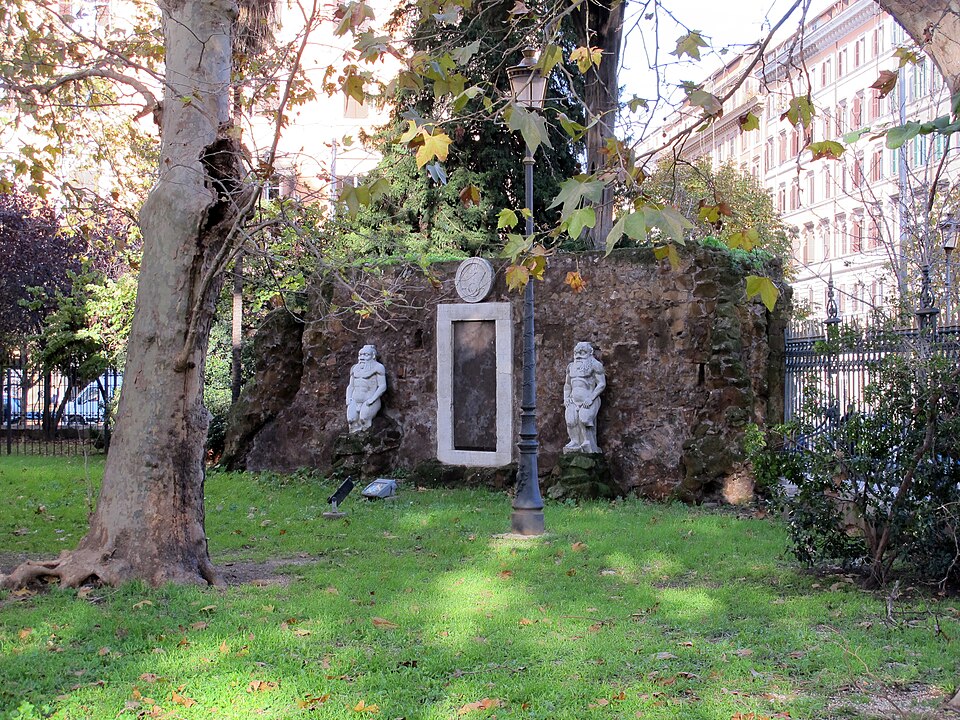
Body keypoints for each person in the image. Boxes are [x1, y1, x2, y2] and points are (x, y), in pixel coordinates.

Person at [563, 341, 606, 453]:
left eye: (582, 352)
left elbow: (601, 384)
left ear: (590, 352)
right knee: (570, 421)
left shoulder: (595, 365)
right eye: (576, 352)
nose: (578, 355)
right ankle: (575, 441)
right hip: (573, 400)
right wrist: (566, 398)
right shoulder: (571, 367)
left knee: (585, 419)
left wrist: (591, 398)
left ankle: (588, 442)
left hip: (589, 399)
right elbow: (567, 385)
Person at [346, 344, 387, 433]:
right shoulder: (355, 368)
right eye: (360, 355)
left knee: (364, 419)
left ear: (373, 356)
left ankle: (366, 437)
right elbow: (351, 386)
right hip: (354, 400)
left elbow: (382, 386)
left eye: (366, 355)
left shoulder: (378, 368)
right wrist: (348, 399)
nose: (362, 357)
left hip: (369, 400)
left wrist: (372, 400)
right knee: (351, 420)